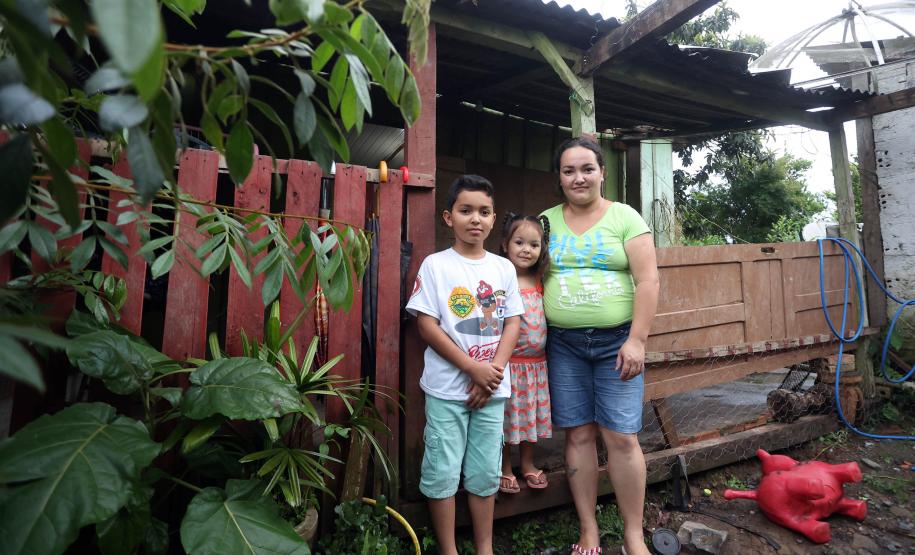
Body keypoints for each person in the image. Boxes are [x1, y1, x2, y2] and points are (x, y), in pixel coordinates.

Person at [541, 137, 660, 555]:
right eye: (569, 170)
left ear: (602, 173)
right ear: (559, 177)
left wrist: (637, 341)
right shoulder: (545, 221)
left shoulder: (625, 217)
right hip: (563, 345)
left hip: (618, 343)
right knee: (578, 435)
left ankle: (633, 533)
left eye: (587, 169)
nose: (579, 177)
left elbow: (648, 281)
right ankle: (588, 528)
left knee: (622, 437)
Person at [406, 174, 523, 555]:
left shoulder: (503, 269)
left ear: (493, 221)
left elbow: (512, 322)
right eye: (466, 210)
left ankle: (484, 548)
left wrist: (491, 374)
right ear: (448, 217)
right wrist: (472, 369)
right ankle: (448, 549)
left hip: (492, 390)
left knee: (485, 472)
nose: (476, 219)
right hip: (446, 390)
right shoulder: (435, 266)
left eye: (484, 212)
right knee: (442, 472)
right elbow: (426, 325)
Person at [497, 213, 554, 494]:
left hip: (536, 367)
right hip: (510, 366)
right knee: (508, 421)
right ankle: (505, 468)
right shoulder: (500, 278)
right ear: (505, 244)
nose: (526, 249)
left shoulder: (539, 279)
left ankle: (528, 464)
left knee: (531, 418)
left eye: (534, 244)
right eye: (519, 242)